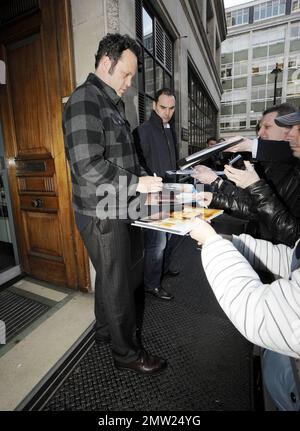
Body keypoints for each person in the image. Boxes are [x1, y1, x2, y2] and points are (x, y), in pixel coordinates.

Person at [63, 33, 167, 375]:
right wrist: (138, 182)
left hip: (116, 205)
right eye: (126, 74)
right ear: (107, 63)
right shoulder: (84, 100)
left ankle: (105, 331)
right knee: (119, 281)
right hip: (99, 210)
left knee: (111, 277)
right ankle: (126, 355)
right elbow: (88, 166)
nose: (130, 83)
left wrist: (146, 180)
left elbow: (128, 157)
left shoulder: (110, 103)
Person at [190, 109, 300, 410]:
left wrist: (213, 242)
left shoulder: (285, 165)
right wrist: (232, 239)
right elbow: (291, 250)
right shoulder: (275, 161)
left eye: (269, 127)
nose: (288, 134)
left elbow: (258, 311)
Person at [133, 88, 179, 301]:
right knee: (157, 243)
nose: (167, 112)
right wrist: (149, 189)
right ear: (153, 105)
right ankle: (152, 284)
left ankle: (162, 270)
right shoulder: (142, 130)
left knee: (171, 237)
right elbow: (137, 164)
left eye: (171, 108)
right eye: (163, 107)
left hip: (171, 191)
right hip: (153, 195)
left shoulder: (169, 129)